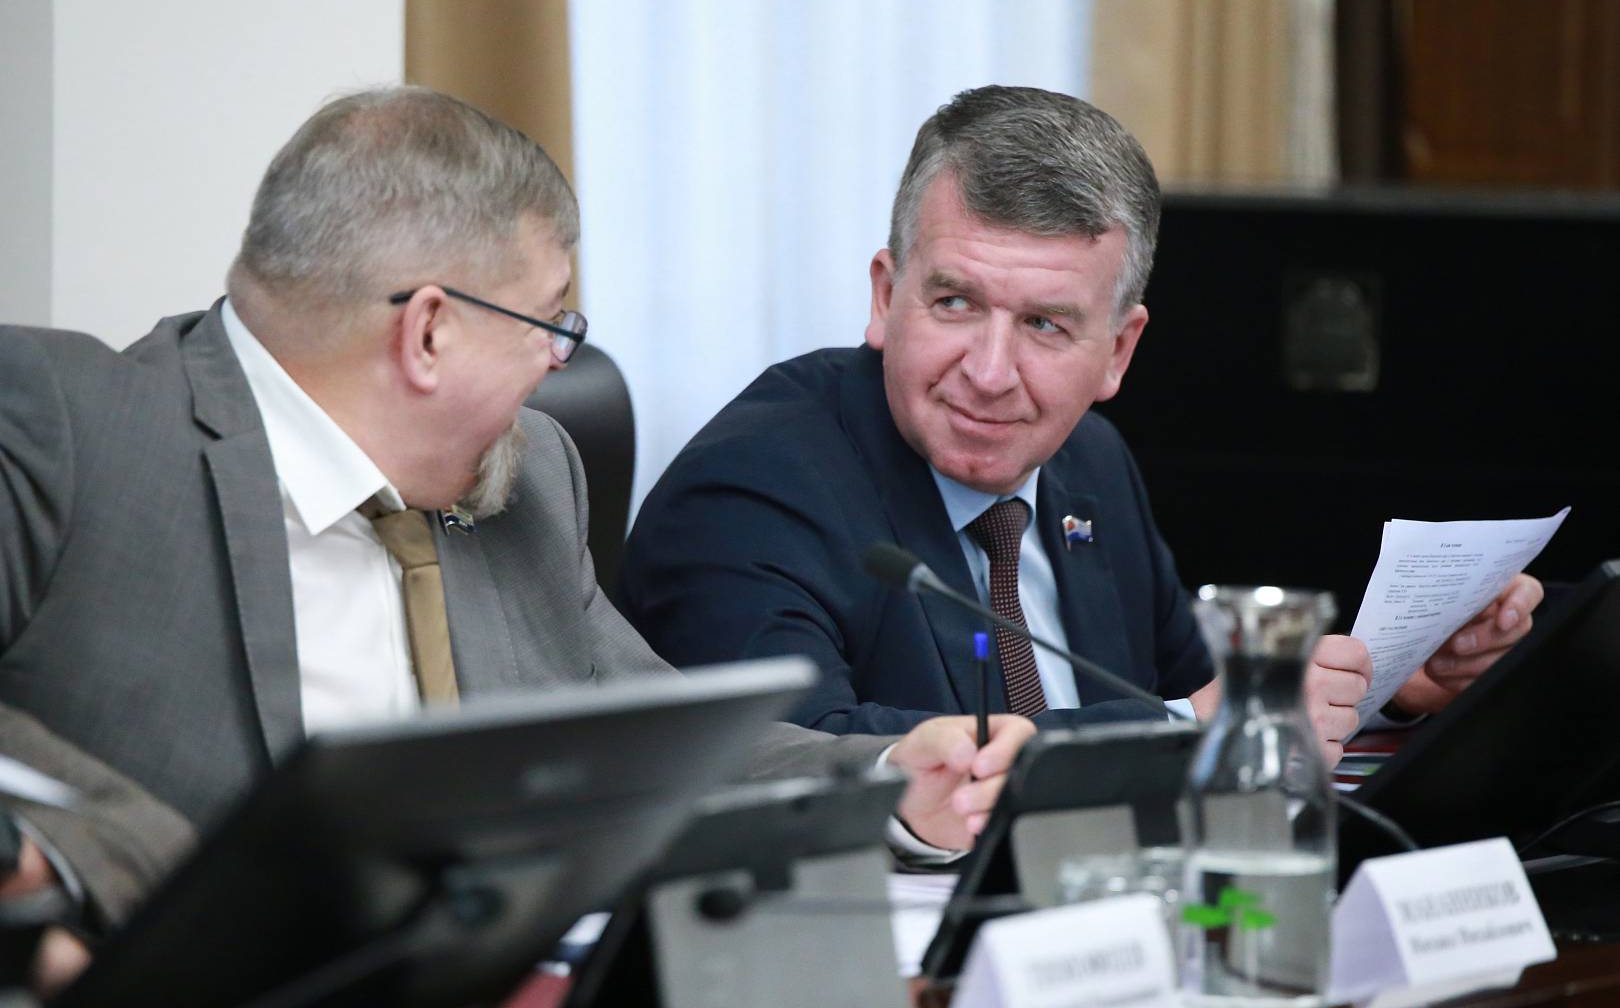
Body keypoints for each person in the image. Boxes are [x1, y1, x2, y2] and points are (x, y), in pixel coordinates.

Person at [0, 87, 1034, 980]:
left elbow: (664, 746)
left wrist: (890, 780)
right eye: (551, 324)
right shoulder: (70, 429)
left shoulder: (532, 476)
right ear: (429, 331)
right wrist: (101, 869)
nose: (556, 364)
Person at [618, 85, 1542, 761]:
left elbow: (1193, 692)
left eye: (1045, 326)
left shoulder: (1087, 462)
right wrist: (1195, 729)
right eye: (953, 303)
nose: (989, 373)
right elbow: (797, 756)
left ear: (1118, 352)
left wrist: (1392, 691)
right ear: (885, 297)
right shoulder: (754, 487)